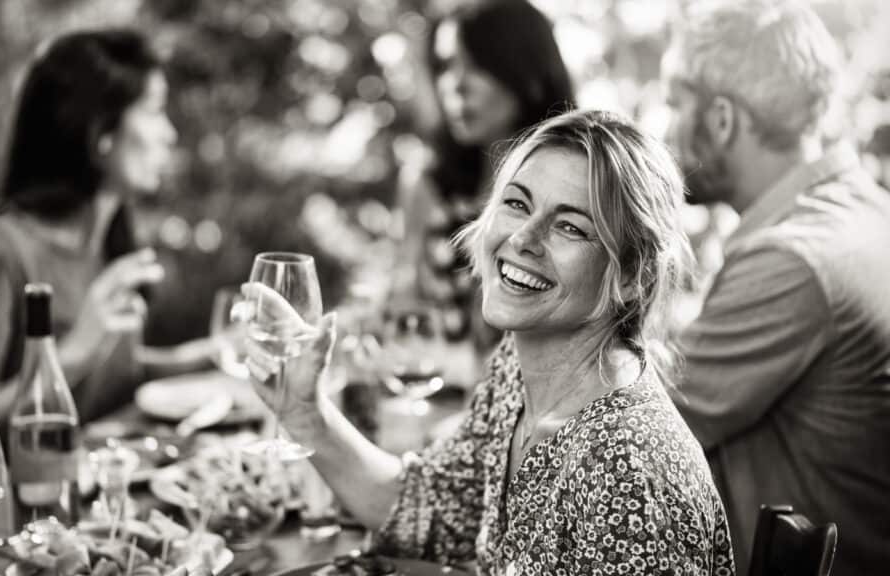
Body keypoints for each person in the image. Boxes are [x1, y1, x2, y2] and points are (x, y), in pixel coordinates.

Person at [243, 110, 734, 574]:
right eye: (517, 203)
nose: (523, 237)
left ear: (631, 275)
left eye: (569, 226)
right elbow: (433, 510)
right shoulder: (515, 372)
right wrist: (308, 415)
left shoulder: (630, 473)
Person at [661, 1, 890, 573]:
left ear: (721, 119)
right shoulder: (863, 209)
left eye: (672, 105)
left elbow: (633, 431)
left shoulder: (790, 261)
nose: (662, 129)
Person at [0, 29, 220, 424]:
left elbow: (117, 378)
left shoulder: (108, 241)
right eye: (154, 110)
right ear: (100, 132)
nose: (169, 134)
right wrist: (73, 355)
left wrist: (211, 354)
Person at [394, 0, 573, 347]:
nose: (456, 85)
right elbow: (404, 313)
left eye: (476, 65)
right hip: (437, 393)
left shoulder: (577, 191)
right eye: (445, 65)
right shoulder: (428, 186)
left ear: (525, 69)